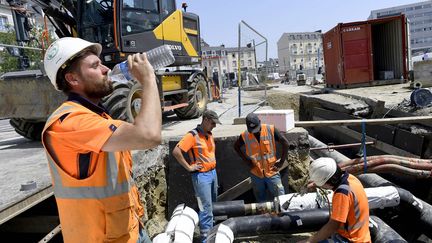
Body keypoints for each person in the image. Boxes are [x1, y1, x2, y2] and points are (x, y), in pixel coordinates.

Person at [41, 37, 161, 243]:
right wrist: (148, 79)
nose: (106, 69)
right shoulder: (69, 123)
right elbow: (148, 135)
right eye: (95, 65)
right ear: (73, 79)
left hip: (129, 230)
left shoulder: (99, 118)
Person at [172, 110, 221, 242]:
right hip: (201, 177)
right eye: (212, 123)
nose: (214, 126)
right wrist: (189, 167)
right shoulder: (192, 135)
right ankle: (206, 239)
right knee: (206, 210)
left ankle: (212, 235)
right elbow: (177, 151)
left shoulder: (209, 134)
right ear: (205, 119)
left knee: (213, 206)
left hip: (212, 174)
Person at [301, 157, 371, 243]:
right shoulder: (350, 178)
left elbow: (333, 226)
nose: (322, 186)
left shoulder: (342, 193)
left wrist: (309, 241)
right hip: (361, 234)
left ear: (331, 181)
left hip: (351, 240)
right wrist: (316, 183)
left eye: (322, 184)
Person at [234, 112, 289, 202]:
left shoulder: (270, 129)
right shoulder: (245, 135)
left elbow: (285, 143)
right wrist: (247, 160)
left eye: (256, 128)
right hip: (256, 173)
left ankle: (281, 214)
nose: (255, 131)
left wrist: (281, 162)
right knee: (260, 201)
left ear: (259, 122)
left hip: (272, 171)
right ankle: (263, 215)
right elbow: (236, 147)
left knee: (280, 198)